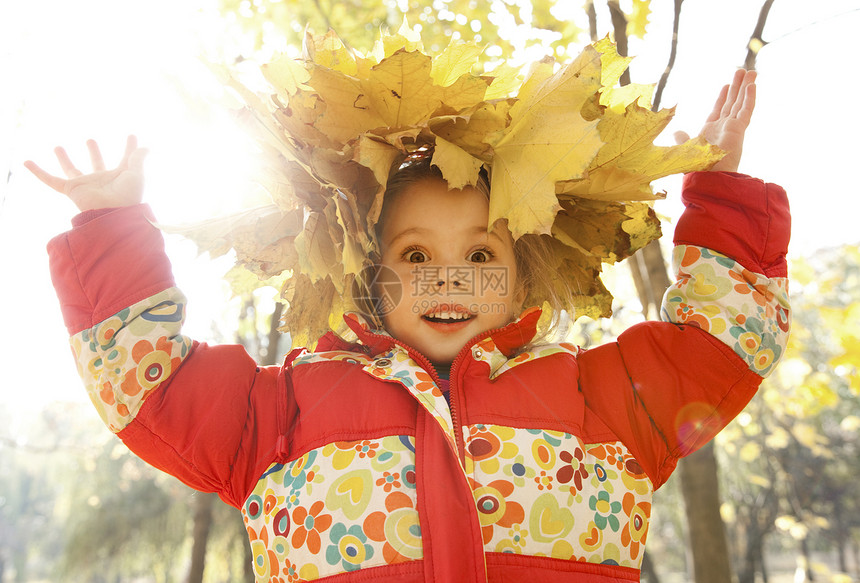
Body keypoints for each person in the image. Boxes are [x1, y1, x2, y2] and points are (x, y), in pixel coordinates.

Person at [28, 49, 790, 582]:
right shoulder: (286, 412)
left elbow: (721, 343)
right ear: (372, 274)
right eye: (417, 257)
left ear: (524, 272)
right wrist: (110, 229)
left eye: (482, 255)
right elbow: (153, 389)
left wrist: (720, 189)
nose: (448, 276)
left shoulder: (597, 403)